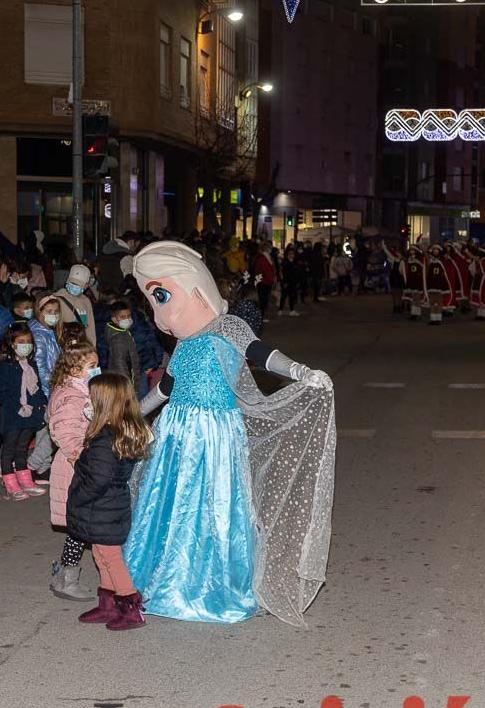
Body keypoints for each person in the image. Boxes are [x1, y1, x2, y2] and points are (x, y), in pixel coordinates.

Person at [125, 241, 336, 625]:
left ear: (197, 289)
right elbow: (167, 388)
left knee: (213, 505)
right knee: (170, 504)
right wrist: (132, 413)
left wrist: (301, 371)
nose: (159, 316)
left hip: (215, 434)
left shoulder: (229, 327)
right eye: (153, 302)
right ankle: (165, 577)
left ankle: (209, 584)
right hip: (175, 433)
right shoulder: (183, 344)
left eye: (161, 297)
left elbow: (260, 353)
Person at [70, 374, 152, 631]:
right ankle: (108, 604)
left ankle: (131, 608)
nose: (88, 402)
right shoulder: (118, 432)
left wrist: (79, 497)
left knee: (111, 557)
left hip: (102, 507)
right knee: (100, 553)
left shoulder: (106, 439)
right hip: (107, 508)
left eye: (91, 399)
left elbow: (99, 478)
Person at [47, 341, 100, 601]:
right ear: (76, 368)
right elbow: (65, 431)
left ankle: (68, 576)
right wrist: (82, 457)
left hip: (84, 462)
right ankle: (68, 578)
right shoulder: (72, 396)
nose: (96, 369)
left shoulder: (80, 390)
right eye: (91, 366)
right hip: (76, 465)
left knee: (89, 524)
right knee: (82, 526)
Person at [0, 325, 48, 500]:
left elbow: (37, 388)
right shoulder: (6, 365)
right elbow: (1, 392)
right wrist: (17, 407)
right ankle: (10, 482)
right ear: (12, 344)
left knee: (23, 447)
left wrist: (43, 405)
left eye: (29, 342)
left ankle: (25, 480)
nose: (26, 345)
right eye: (21, 342)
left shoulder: (31, 364)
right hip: (14, 414)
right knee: (10, 448)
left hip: (31, 413)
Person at [28, 294, 62, 479]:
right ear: (39, 312)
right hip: (47, 390)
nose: (53, 315)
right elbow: (40, 366)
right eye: (49, 312)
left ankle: (43, 467)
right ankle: (33, 465)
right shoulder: (39, 335)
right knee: (51, 430)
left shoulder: (48, 332)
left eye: (56, 312)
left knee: (46, 430)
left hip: (52, 388)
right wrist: (52, 387)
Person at [56, 264, 98, 345]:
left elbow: (90, 327)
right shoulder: (57, 298)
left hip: (81, 344)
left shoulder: (86, 301)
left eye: (78, 284)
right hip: (64, 344)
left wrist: (92, 346)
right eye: (72, 283)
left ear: (86, 286)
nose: (74, 286)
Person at [104, 300, 140, 380]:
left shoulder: (123, 332)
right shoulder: (118, 337)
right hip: (124, 379)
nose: (127, 319)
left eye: (129, 316)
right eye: (122, 317)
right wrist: (127, 382)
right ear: (114, 319)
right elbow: (120, 363)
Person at [280, 246, 303, 317]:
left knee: (291, 296)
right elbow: (281, 273)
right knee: (283, 296)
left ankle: (291, 310)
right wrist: (283, 282)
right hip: (286, 282)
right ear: (287, 254)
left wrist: (298, 282)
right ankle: (280, 310)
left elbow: (297, 273)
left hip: (293, 282)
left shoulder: (295, 262)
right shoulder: (284, 262)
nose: (291, 255)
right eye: (290, 253)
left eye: (293, 253)